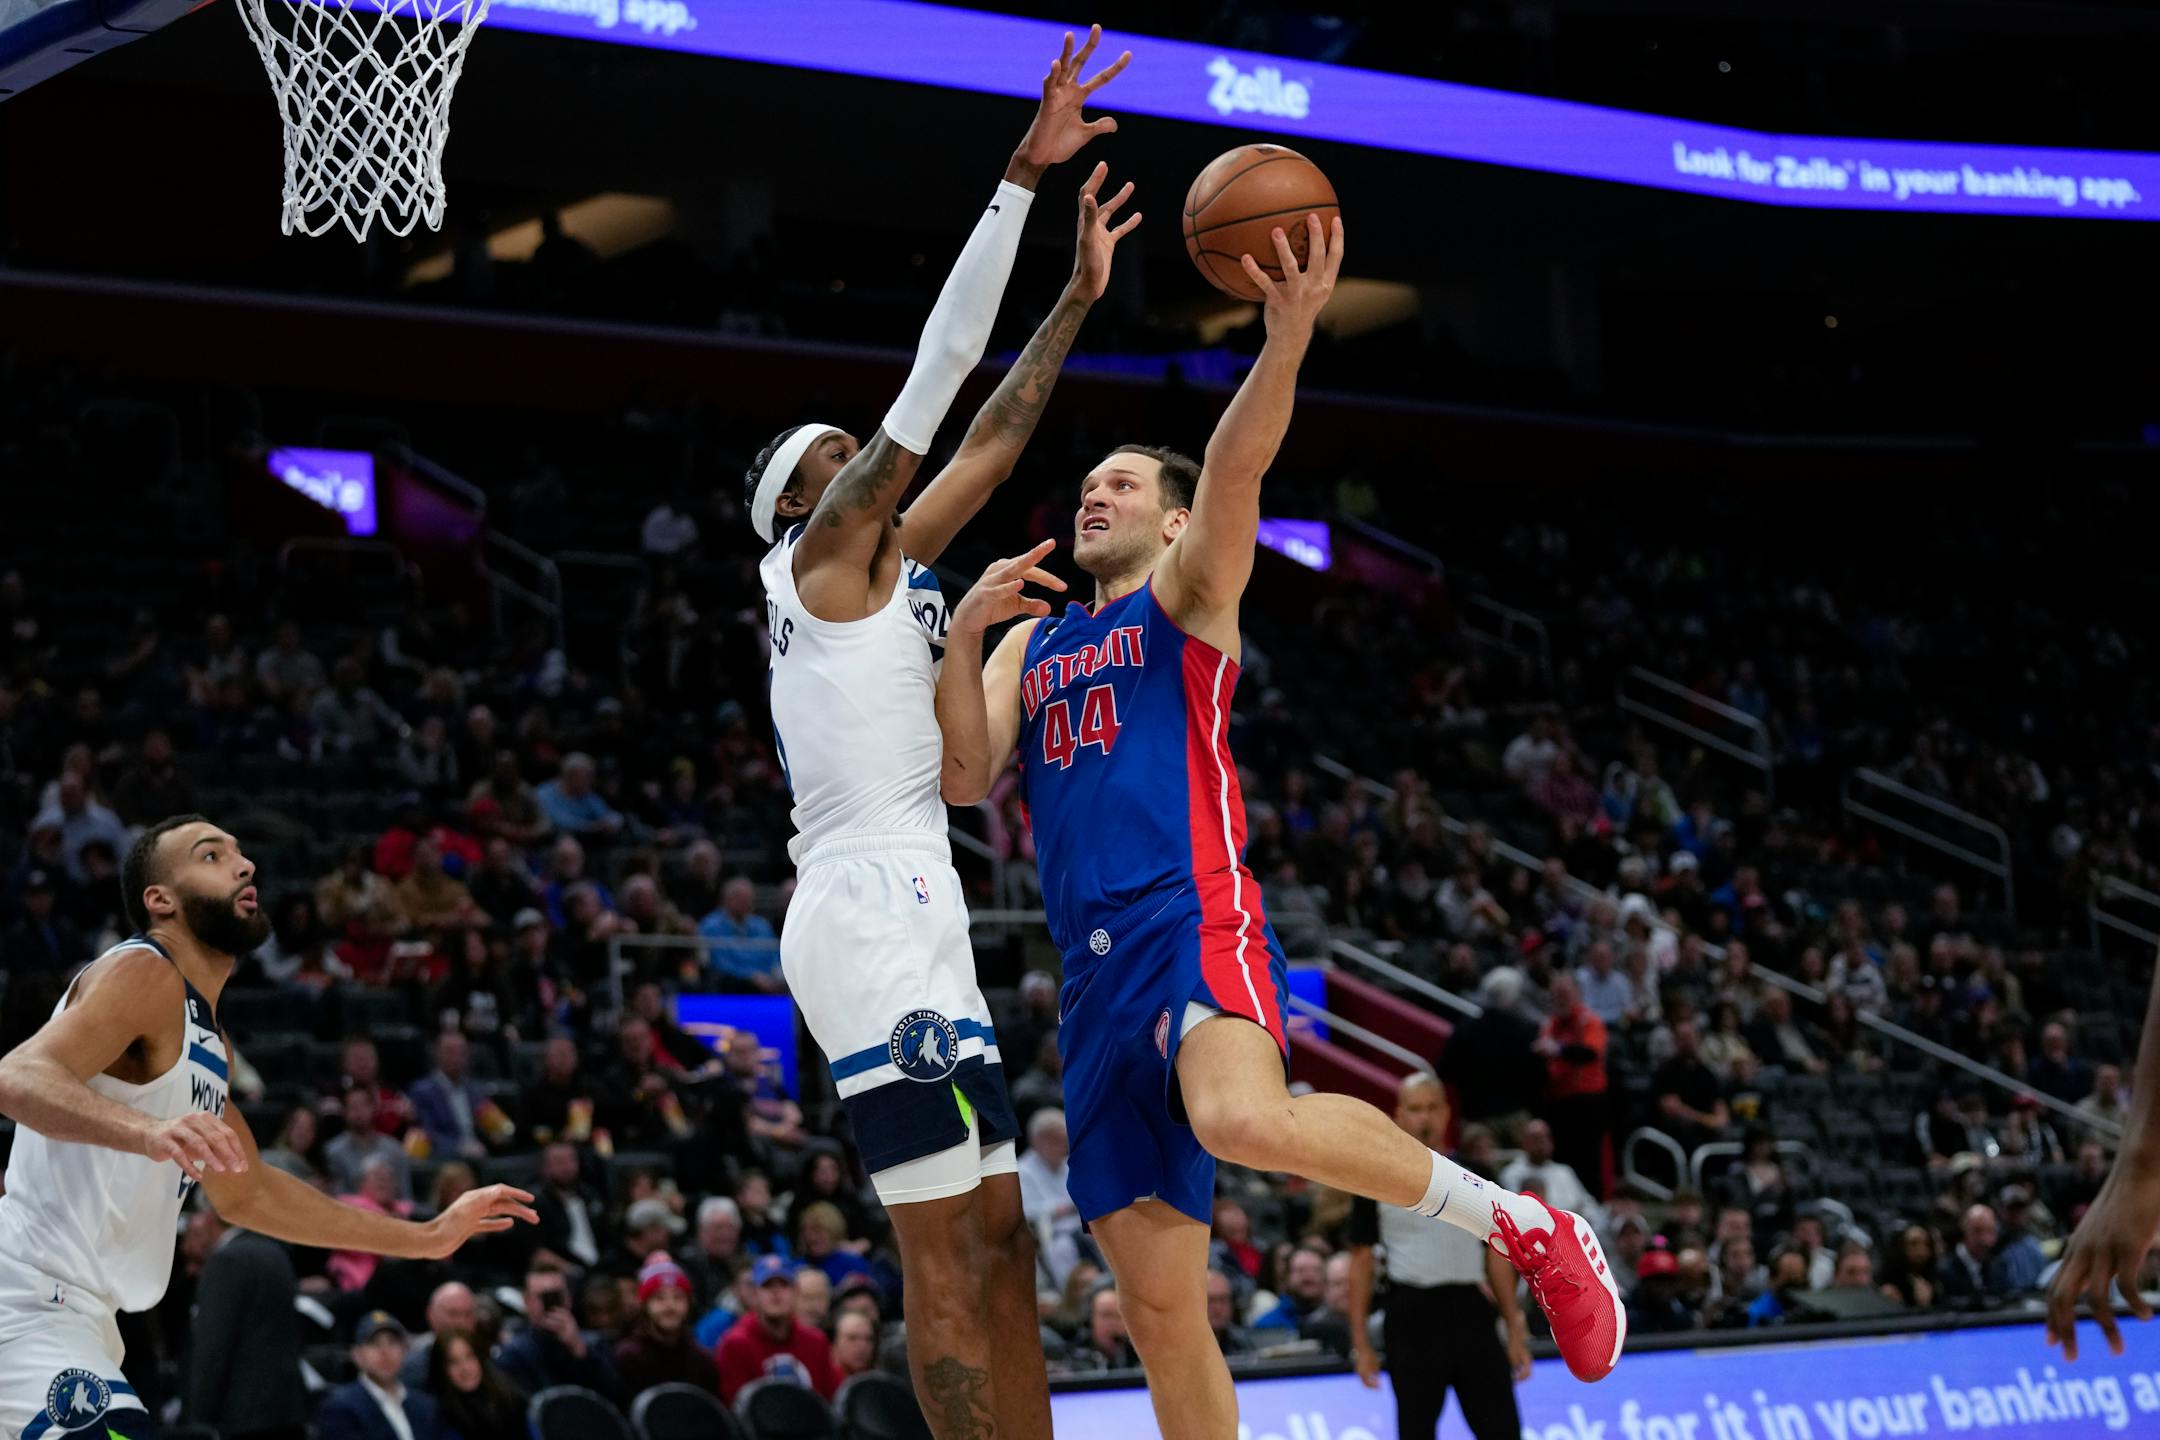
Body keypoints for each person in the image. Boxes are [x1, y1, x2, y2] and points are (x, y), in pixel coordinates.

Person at [936, 216, 1620, 1440]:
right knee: (1157, 1314)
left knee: (1242, 1118)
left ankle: (1522, 1224)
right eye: (1089, 485)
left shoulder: (1189, 597)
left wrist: (1287, 340)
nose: (1097, 494)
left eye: (1125, 485)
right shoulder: (1038, 642)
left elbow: (1237, 467)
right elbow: (960, 778)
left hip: (1187, 908)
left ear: (1175, 520)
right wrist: (967, 637)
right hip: (1085, 980)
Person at [748, 28, 1131, 1440]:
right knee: (940, 1264)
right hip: (860, 907)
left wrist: (1082, 300)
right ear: (803, 510)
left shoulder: (897, 577)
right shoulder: (814, 572)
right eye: (828, 462)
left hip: (925, 891)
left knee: (1005, 1247)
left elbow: (998, 435)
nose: (858, 460)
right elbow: (938, 381)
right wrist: (1019, 184)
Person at [0, 815, 533, 1440]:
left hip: (87, 1319)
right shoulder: (144, 972)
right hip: (30, 1301)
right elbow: (17, 1076)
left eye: (241, 852)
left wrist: (426, 1237)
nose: (244, 864)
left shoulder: (210, 1045)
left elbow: (249, 1191)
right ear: (160, 899)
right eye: (211, 855)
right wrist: (146, 1132)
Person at [1347, 1073, 1531, 1440]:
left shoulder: (1478, 1175)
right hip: (1411, 1313)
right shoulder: (1373, 1178)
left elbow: (1497, 1256)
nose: (1424, 1118)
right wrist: (1361, 1344)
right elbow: (1362, 1262)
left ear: (1447, 1113)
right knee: (1416, 1430)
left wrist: (1513, 1326)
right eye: (1415, 1109)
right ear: (1399, 1115)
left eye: (1432, 1108)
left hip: (1471, 1310)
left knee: (1503, 1428)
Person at [184, 1209, 307, 1440]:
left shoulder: (226, 1260)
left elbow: (214, 1345)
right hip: (288, 1408)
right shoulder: (275, 1251)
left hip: (242, 1414)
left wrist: (198, 1415)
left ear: (211, 1217)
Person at [715, 1256, 839, 1404]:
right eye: (767, 1285)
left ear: (796, 1291)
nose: (776, 1292)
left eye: (783, 1284)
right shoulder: (734, 1344)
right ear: (755, 1294)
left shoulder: (816, 1342)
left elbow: (830, 1400)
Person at [496, 1257, 622, 1400]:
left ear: (568, 1298)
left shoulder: (594, 1343)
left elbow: (614, 1394)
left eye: (555, 1296)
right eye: (543, 1297)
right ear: (526, 1301)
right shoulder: (514, 1354)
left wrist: (580, 1350)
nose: (549, 1304)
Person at [316, 1311, 455, 1440]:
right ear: (357, 1355)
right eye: (374, 1343)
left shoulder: (426, 1406)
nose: (385, 1352)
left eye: (392, 1342)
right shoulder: (340, 1408)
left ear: (405, 1350)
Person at [614, 1252, 721, 1396]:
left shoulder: (703, 1360)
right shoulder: (627, 1357)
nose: (670, 1306)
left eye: (678, 1297)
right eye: (659, 1298)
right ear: (644, 1305)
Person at [1016, 1107, 1084, 1289]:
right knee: (1061, 1250)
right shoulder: (1022, 1171)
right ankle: (1070, 1301)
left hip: (1080, 1227)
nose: (1065, 1147)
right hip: (1051, 1235)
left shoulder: (1068, 1164)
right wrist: (1062, 1209)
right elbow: (1028, 1213)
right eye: (1058, 1141)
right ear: (1040, 1141)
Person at [427, 1330, 528, 1440]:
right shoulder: (439, 1418)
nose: (465, 1369)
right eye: (453, 1362)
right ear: (441, 1370)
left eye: (469, 1357)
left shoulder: (508, 1396)